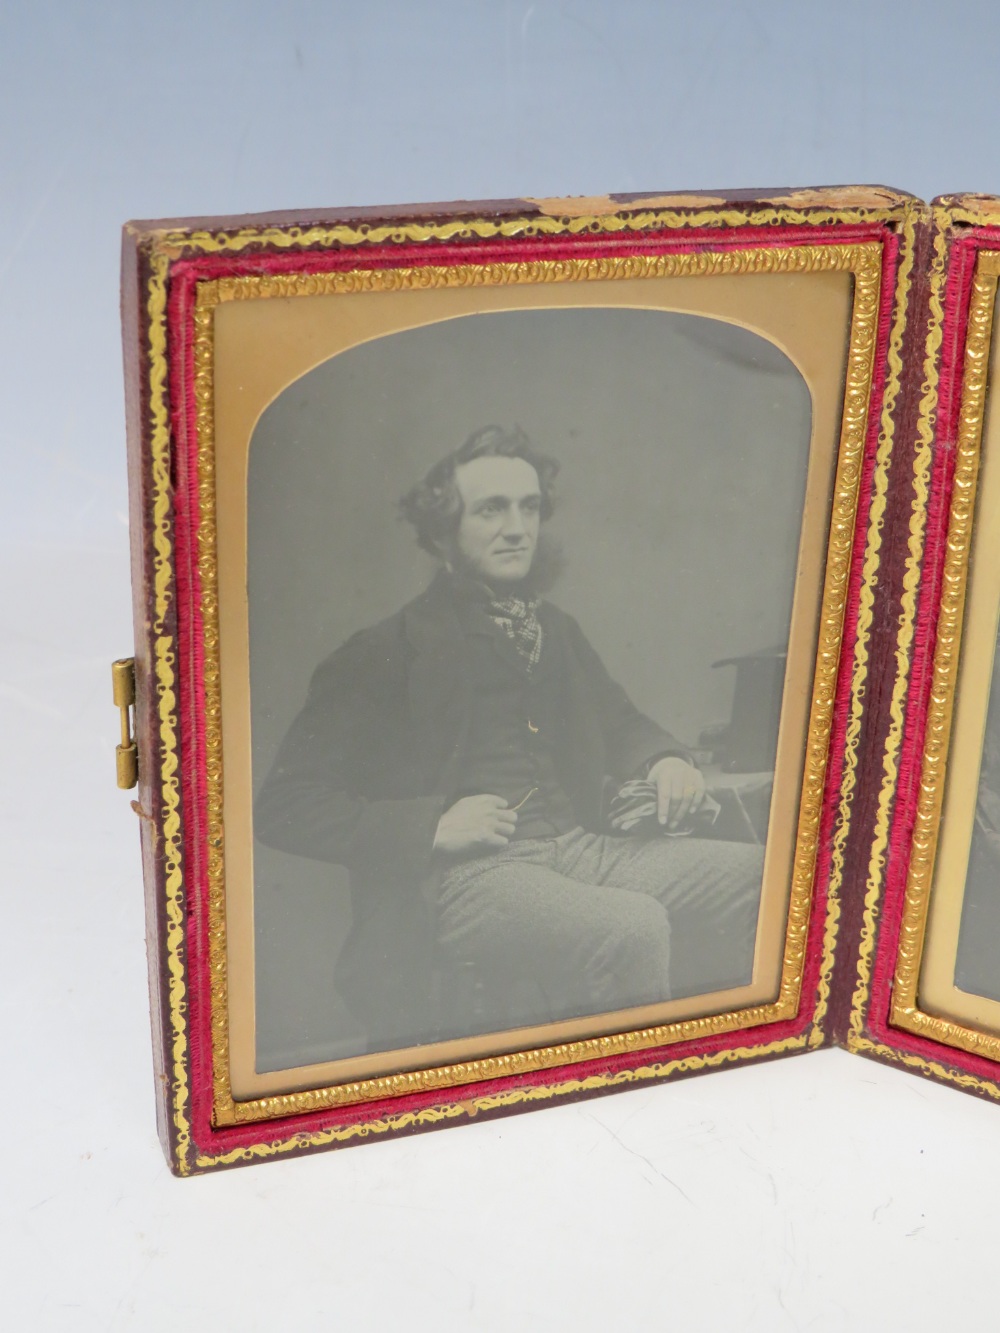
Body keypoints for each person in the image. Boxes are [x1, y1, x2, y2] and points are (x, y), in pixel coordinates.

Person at [255, 425, 764, 1049]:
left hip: (581, 847)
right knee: (632, 927)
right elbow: (285, 805)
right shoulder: (384, 652)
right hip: (468, 879)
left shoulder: (554, 630)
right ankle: (631, 1097)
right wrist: (430, 828)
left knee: (764, 875)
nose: (518, 527)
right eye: (492, 509)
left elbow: (620, 720)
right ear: (444, 530)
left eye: (529, 507)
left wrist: (664, 760)